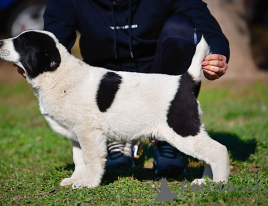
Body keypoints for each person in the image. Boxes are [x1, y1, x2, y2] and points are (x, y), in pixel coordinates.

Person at [19, 0, 229, 176]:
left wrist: (217, 55)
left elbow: (204, 23)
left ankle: (168, 137)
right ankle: (115, 138)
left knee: (180, 30)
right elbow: (55, 41)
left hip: (160, 74)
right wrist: (35, 61)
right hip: (105, 80)